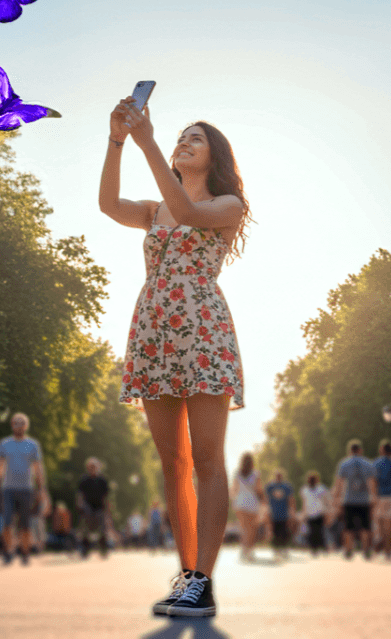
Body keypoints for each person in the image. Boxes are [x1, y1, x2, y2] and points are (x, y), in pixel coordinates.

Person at [102, 97, 252, 618]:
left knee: (208, 458)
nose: (183, 142)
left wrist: (146, 142)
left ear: (215, 156)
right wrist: (118, 138)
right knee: (173, 463)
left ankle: (205, 581)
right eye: (179, 136)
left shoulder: (227, 205)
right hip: (153, 331)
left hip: (204, 331)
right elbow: (106, 203)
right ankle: (187, 575)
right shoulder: (152, 210)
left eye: (196, 138)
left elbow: (189, 213)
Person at [0, 413, 49, 566]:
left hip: (26, 489)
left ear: (26, 426)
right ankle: (9, 551)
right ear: (12, 425)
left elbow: (38, 468)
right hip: (7, 489)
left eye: (22, 423)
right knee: (7, 522)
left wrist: (41, 489)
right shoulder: (4, 444)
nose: (19, 425)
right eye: (16, 423)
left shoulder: (33, 445)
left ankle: (25, 553)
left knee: (25, 524)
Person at [332, 439, 377, 560]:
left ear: (349, 452)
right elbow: (371, 482)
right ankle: (366, 550)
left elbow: (339, 483)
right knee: (366, 526)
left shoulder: (344, 464)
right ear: (361, 450)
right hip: (364, 500)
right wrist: (373, 496)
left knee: (348, 527)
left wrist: (336, 499)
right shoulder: (368, 463)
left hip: (349, 500)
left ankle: (348, 550)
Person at [76, 457, 111, 559]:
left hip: (100, 507)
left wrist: (108, 511)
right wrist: (79, 505)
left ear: (98, 467)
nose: (92, 468)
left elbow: (106, 497)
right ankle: (85, 549)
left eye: (94, 467)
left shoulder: (102, 480)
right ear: (87, 468)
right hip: (88, 506)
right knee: (86, 528)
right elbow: (80, 495)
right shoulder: (84, 480)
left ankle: (103, 549)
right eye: (90, 467)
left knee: (102, 529)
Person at [230, 453, 262, 562]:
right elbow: (258, 490)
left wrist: (234, 500)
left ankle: (244, 550)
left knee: (243, 529)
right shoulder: (256, 474)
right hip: (252, 504)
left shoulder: (237, 474)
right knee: (251, 529)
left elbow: (234, 489)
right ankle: (249, 551)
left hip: (240, 504)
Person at [264, 470, 295, 561]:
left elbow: (291, 499)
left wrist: (292, 511)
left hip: (284, 513)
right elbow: (266, 499)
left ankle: (284, 549)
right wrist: (266, 511)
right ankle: (276, 550)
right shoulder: (270, 486)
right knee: (274, 532)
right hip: (273, 513)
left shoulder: (287, 486)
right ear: (274, 476)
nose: (278, 477)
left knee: (284, 532)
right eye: (277, 476)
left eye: (279, 476)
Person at [300, 471, 329, 557]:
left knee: (320, 531)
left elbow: (325, 500)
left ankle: (323, 547)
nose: (312, 481)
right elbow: (304, 502)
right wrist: (303, 514)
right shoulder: (304, 490)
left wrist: (327, 512)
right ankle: (314, 549)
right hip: (310, 513)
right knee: (312, 532)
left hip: (320, 513)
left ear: (316, 480)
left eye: (313, 479)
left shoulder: (321, 489)